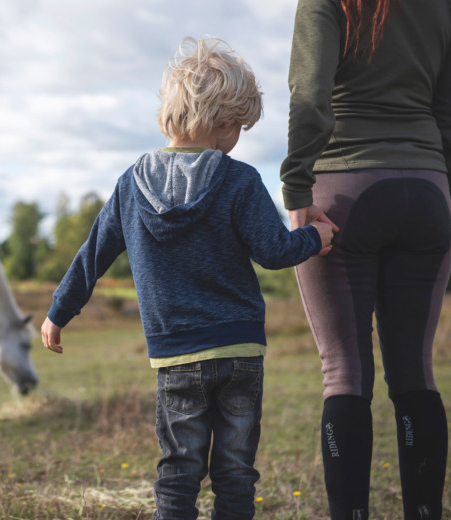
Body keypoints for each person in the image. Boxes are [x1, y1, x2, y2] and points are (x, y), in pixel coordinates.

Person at [40, 37, 336, 520]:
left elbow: (93, 254)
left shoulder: (131, 185)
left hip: (176, 355)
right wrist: (314, 237)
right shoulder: (240, 180)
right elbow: (275, 251)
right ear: (222, 124)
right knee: (235, 472)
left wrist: (59, 311)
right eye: (238, 127)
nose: (237, 137)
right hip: (240, 351)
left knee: (178, 471)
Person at [280, 0, 451, 518]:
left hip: (344, 189)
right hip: (429, 188)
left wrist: (296, 189)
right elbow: (446, 108)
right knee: (416, 372)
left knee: (344, 373)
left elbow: (309, 94)